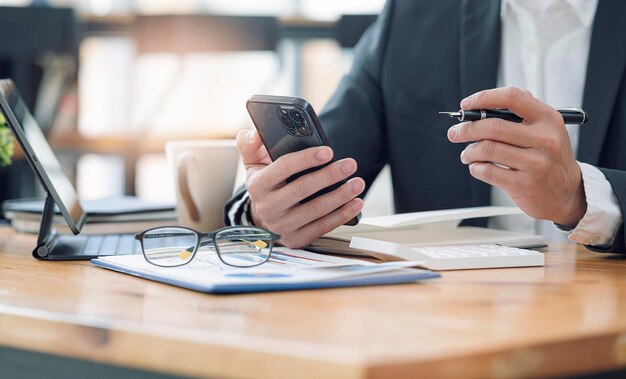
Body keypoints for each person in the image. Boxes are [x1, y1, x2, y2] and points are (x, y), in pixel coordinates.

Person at [225, 0, 626, 253]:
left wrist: (580, 197)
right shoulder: (412, 15)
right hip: (441, 329)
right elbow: (324, 166)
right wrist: (267, 209)